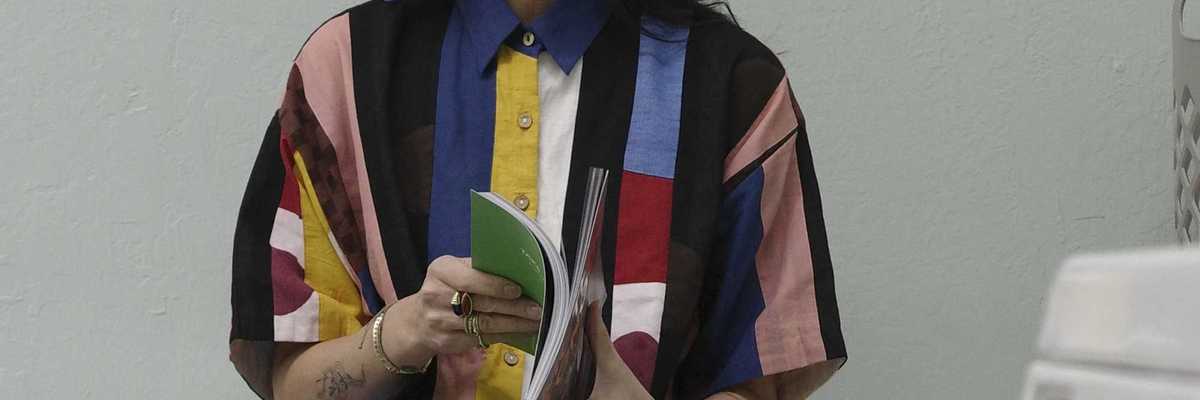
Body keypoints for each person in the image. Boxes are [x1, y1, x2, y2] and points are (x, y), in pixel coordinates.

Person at [229, 0, 847, 398]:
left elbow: (765, 380)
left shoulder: (733, 87)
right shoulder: (346, 68)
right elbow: (290, 376)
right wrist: (409, 330)